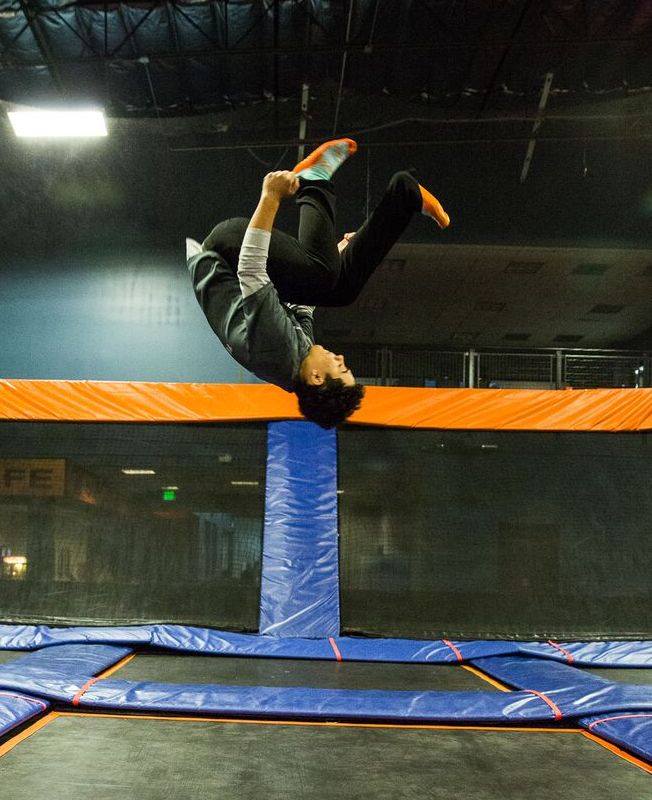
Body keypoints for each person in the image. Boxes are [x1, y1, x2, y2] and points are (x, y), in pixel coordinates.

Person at [187, 138, 450, 429]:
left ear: (316, 378)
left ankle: (314, 181)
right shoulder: (301, 358)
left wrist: (270, 196)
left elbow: (251, 271)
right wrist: (341, 253)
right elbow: (305, 301)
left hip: (225, 250)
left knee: (324, 276)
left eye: (340, 367)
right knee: (342, 288)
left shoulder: (276, 350)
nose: (339, 356)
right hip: (236, 258)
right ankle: (404, 196)